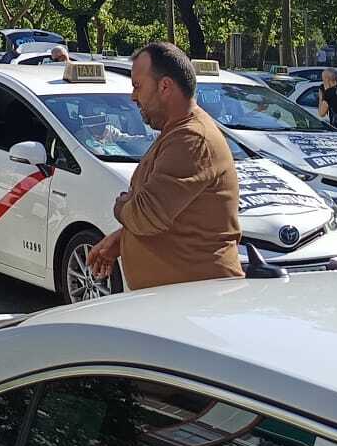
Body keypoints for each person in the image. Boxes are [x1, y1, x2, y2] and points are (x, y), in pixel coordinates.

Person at [87, 41, 242, 288]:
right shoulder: (177, 132)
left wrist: (121, 206)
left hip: (198, 300)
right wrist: (123, 239)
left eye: (137, 86)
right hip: (179, 299)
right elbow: (174, 219)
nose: (133, 97)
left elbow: (146, 215)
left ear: (165, 86)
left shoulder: (191, 137)